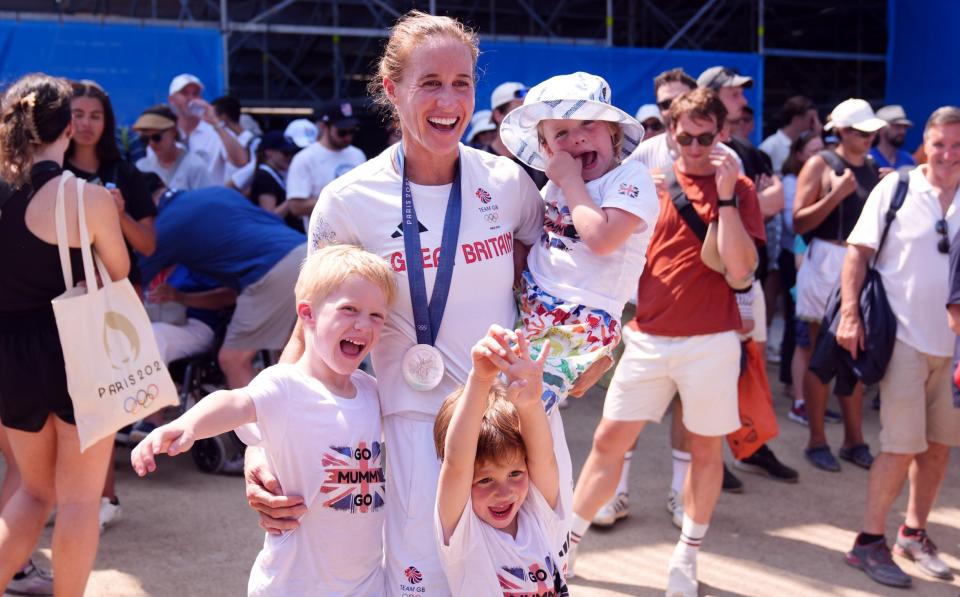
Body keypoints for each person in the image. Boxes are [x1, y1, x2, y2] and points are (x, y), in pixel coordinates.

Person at [241, 11, 586, 596]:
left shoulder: (507, 183)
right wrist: (263, 449)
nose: (449, 100)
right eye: (430, 82)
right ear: (391, 88)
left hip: (514, 429)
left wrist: (589, 348)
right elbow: (310, 334)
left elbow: (560, 288)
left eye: (462, 82)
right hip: (414, 432)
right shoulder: (348, 201)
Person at [568, 88, 763, 596]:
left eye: (705, 136)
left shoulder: (738, 188)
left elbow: (741, 273)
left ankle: (687, 555)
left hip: (712, 341)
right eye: (685, 136)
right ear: (670, 134)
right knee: (608, 443)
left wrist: (723, 196)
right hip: (649, 337)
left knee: (705, 451)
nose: (694, 146)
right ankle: (564, 547)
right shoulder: (647, 185)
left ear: (720, 134)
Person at [132, 245, 394, 596]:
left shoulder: (371, 391)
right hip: (293, 584)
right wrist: (187, 425)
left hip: (365, 585)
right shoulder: (285, 385)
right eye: (350, 310)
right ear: (308, 314)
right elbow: (234, 401)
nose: (364, 325)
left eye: (377, 316)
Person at [0, 73, 130, 596]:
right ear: (67, 128)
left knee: (32, 492)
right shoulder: (85, 198)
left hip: (10, 352)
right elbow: (118, 274)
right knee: (78, 499)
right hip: (75, 348)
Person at [842, 106, 960, 589]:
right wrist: (850, 313)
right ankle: (868, 542)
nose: (948, 155)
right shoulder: (897, 189)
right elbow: (858, 253)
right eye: (939, 145)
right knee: (899, 447)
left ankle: (913, 533)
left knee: (938, 448)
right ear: (924, 146)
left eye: (957, 146)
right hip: (904, 341)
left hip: (953, 351)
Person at [65, 78, 159, 534]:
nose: (85, 124)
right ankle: (67, 496)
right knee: (63, 403)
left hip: (115, 300)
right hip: (58, 298)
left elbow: (146, 243)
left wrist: (115, 211)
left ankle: (105, 497)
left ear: (107, 122)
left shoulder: (127, 174)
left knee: (102, 400)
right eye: (77, 114)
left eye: (94, 115)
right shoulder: (46, 171)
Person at [137, 175, 306, 393]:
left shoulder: (163, 225)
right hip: (306, 253)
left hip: (271, 270)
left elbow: (130, 281)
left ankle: (263, 427)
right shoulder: (216, 191)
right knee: (293, 355)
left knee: (233, 360)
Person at [434, 326, 567, 594]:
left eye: (515, 474)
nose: (503, 492)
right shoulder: (465, 533)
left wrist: (530, 404)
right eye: (485, 479)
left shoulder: (537, 513)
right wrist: (480, 380)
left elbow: (543, 458)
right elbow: (457, 465)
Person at [792, 98, 884, 472]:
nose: (869, 139)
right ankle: (817, 440)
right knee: (821, 355)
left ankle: (853, 439)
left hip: (860, 264)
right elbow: (799, 222)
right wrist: (837, 195)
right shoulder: (821, 163)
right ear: (842, 132)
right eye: (862, 132)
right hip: (826, 260)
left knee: (855, 354)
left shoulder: (873, 167)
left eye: (871, 132)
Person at [777, 131, 825, 423]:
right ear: (799, 155)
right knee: (802, 343)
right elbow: (794, 230)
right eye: (813, 151)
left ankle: (813, 400)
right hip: (804, 281)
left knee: (817, 347)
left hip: (823, 284)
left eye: (823, 150)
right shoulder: (792, 185)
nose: (820, 157)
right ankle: (799, 399)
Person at [285, 100, 366, 228]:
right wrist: (341, 201)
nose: (348, 137)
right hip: (325, 243)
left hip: (360, 235)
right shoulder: (305, 158)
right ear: (323, 126)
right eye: (342, 132)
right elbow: (296, 207)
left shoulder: (358, 154)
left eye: (352, 131)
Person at [166, 74, 249, 184]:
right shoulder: (166, 132)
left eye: (195, 94)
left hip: (209, 199)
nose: (191, 98)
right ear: (172, 99)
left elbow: (241, 161)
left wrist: (215, 121)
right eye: (184, 93)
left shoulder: (215, 130)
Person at [482, 81, 548, 188]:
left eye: (528, 111)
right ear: (498, 115)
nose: (526, 118)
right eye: (518, 112)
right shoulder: (479, 162)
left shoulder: (538, 160)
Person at [133, 105, 214, 190]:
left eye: (156, 137)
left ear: (173, 131)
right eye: (145, 139)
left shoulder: (195, 166)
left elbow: (207, 200)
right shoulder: (142, 167)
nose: (151, 143)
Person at [248, 130, 302, 231]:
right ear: (269, 153)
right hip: (279, 239)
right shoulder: (265, 177)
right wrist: (294, 199)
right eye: (285, 153)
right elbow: (269, 217)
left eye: (292, 153)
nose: (290, 157)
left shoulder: (274, 175)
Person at [760, 95, 822, 175]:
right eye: (811, 120)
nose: (814, 125)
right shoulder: (770, 147)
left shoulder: (805, 144)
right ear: (796, 120)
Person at [211, 95, 258, 183]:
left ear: (223, 117)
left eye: (213, 116)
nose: (210, 120)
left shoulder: (253, 143)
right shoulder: (218, 140)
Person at [870, 105, 916, 170]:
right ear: (881, 129)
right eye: (897, 126)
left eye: (904, 127)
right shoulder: (868, 158)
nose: (902, 131)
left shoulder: (908, 159)